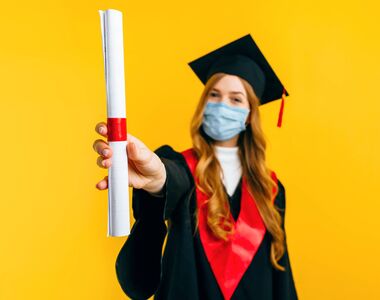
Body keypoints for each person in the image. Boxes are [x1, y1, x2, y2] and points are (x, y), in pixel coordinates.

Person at [93, 34, 298, 300]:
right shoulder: (183, 169)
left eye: (236, 99)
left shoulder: (270, 188)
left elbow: (281, 276)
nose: (222, 104)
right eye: (214, 95)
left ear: (249, 116)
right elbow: (171, 178)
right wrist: (157, 181)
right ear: (204, 105)